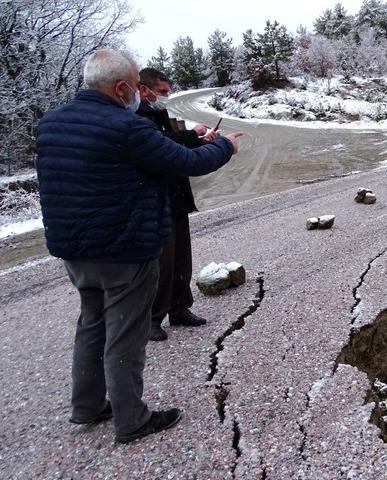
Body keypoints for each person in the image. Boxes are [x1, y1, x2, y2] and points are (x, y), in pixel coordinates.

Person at [35, 49, 243, 444]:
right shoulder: (126, 127)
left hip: (74, 250)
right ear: (121, 88)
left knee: (91, 324)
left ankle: (88, 406)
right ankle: (131, 418)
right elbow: (186, 161)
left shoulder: (51, 123)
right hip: (124, 249)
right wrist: (226, 147)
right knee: (126, 334)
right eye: (134, 86)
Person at [136, 68, 213, 342]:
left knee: (181, 258)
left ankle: (180, 308)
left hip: (176, 197)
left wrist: (199, 143)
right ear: (144, 90)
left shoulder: (160, 115)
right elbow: (161, 148)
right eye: (162, 92)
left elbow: (176, 154)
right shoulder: (137, 119)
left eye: (168, 91)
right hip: (156, 201)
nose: (167, 97)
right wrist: (191, 136)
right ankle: (152, 319)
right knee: (162, 263)